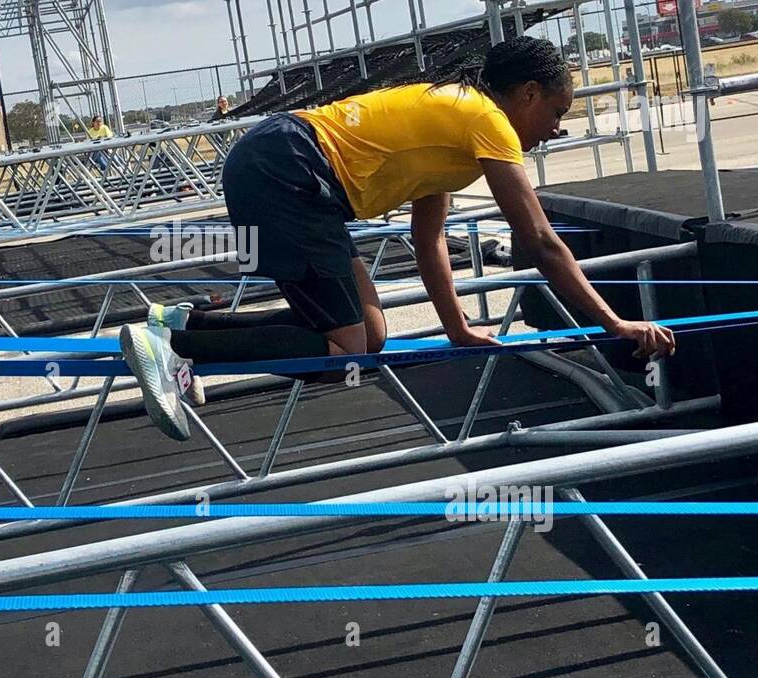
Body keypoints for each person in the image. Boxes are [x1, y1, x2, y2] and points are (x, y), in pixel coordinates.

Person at [118, 36, 676, 442]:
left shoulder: (460, 124)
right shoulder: (489, 123)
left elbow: (428, 238)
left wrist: (457, 327)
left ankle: (183, 324)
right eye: (557, 112)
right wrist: (618, 324)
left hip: (288, 170)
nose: (557, 128)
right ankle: (175, 350)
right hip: (288, 172)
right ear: (528, 93)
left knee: (372, 336)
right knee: (345, 350)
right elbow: (540, 240)